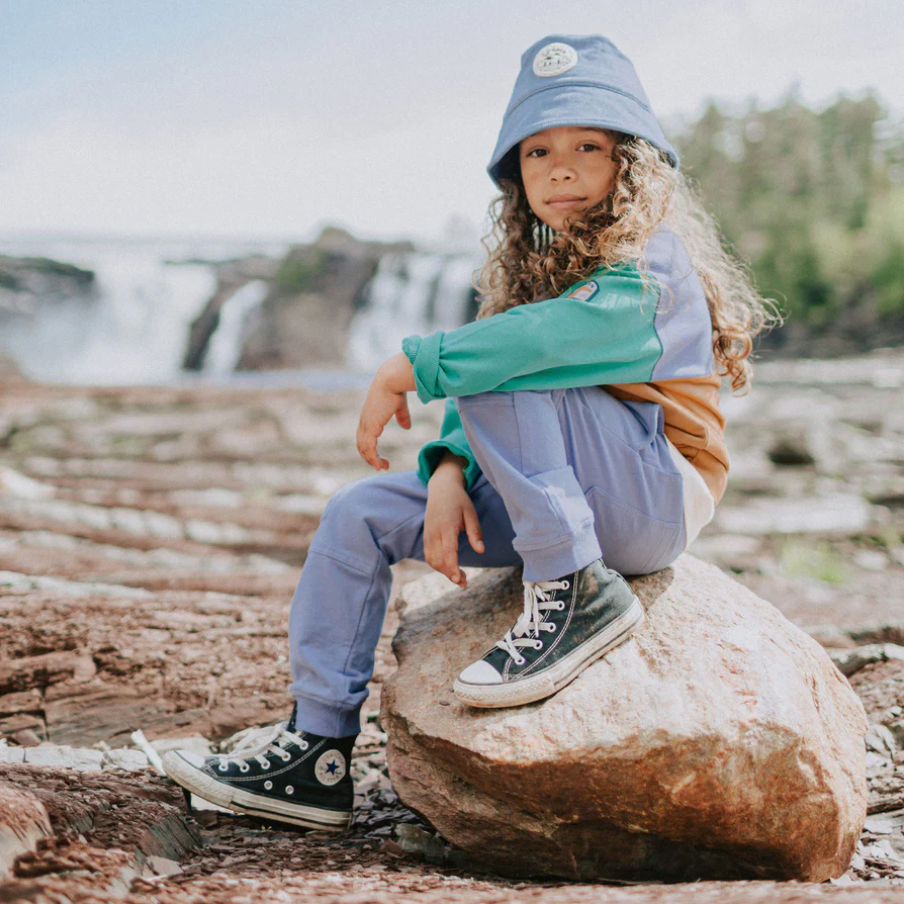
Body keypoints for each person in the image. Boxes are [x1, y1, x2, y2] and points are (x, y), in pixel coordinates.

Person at [162, 34, 776, 832]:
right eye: (538, 152)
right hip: (566, 494)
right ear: (516, 177)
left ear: (633, 164)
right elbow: (510, 351)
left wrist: (410, 364)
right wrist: (447, 465)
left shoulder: (653, 270)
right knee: (359, 515)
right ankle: (318, 750)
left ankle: (578, 595)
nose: (561, 168)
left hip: (654, 499)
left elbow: (544, 346)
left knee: (497, 358)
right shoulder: (537, 269)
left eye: (588, 146)